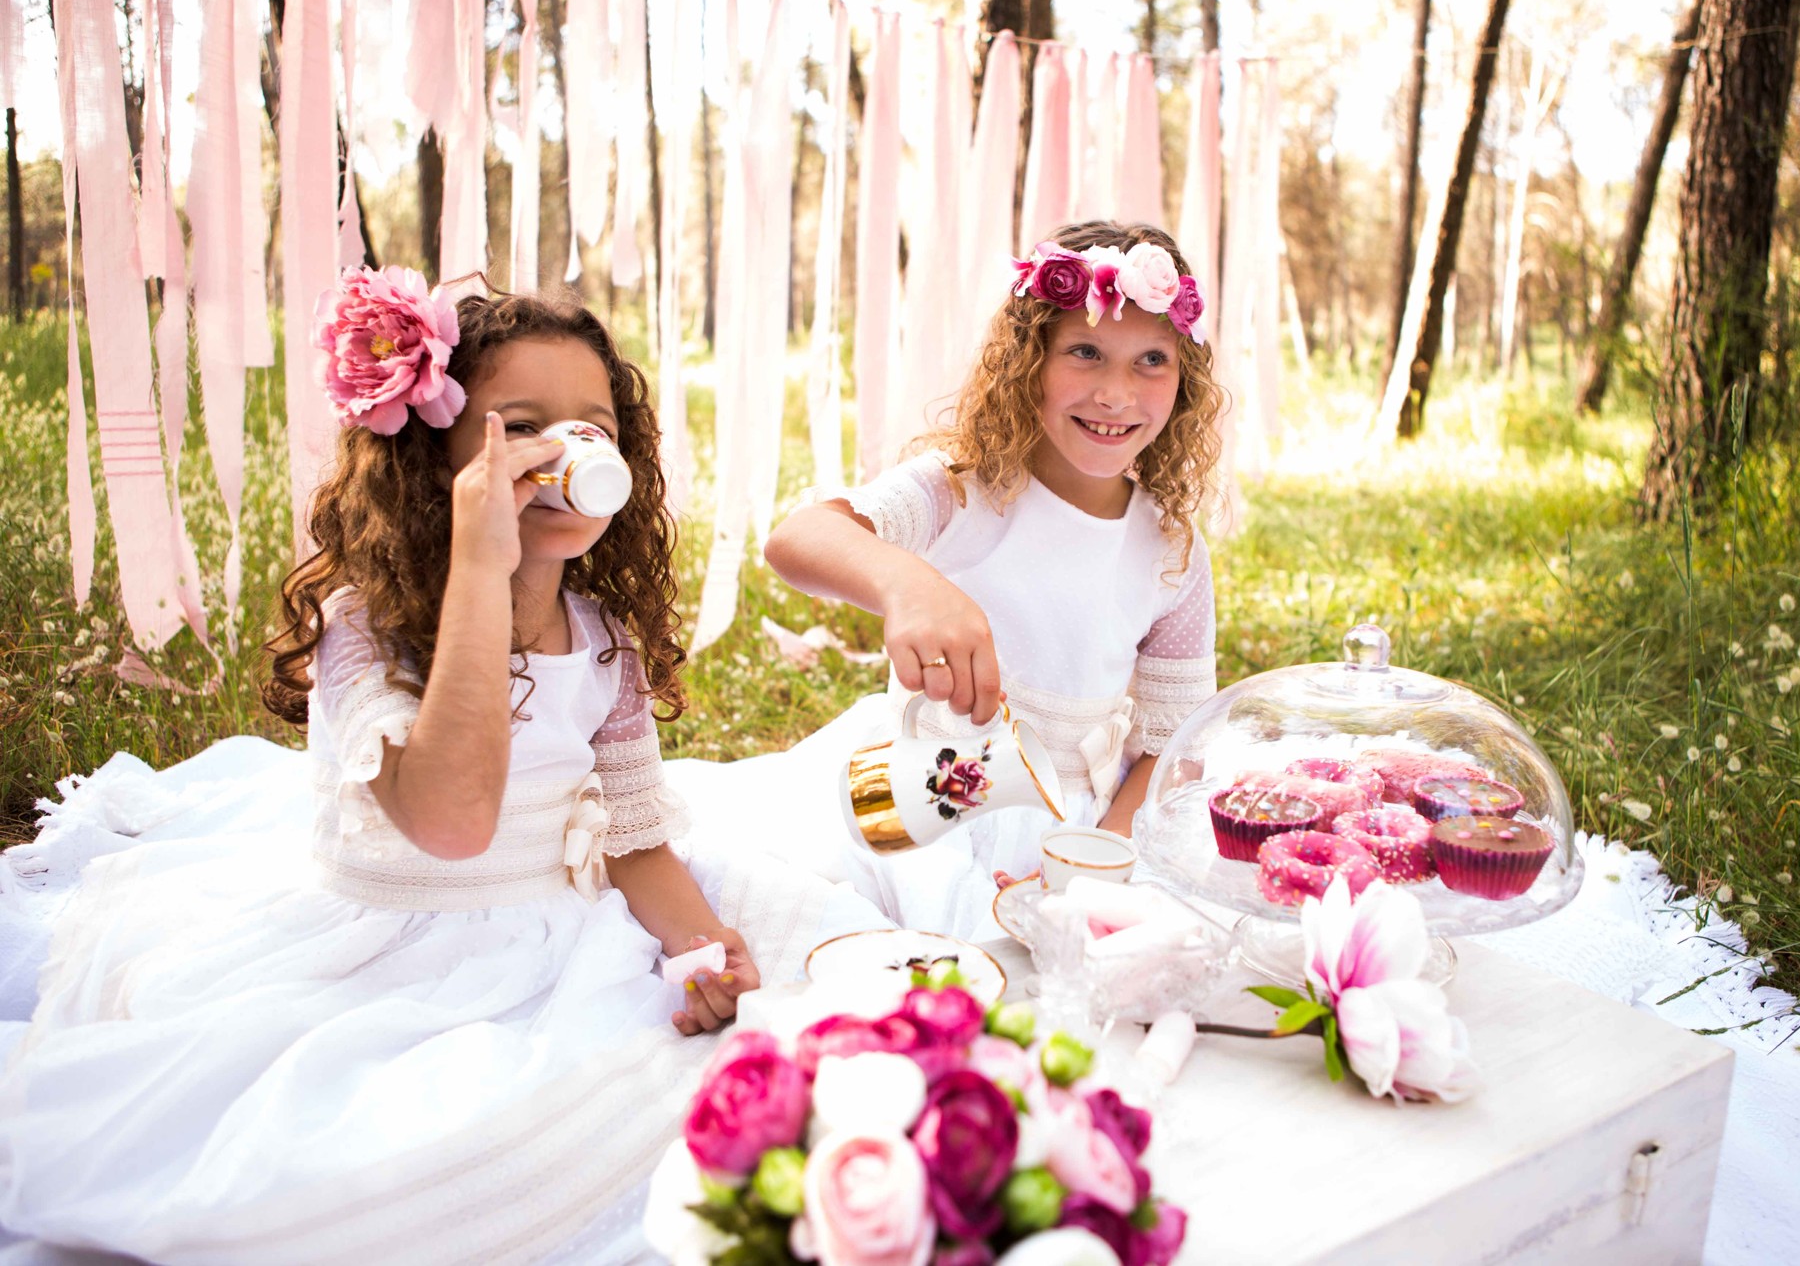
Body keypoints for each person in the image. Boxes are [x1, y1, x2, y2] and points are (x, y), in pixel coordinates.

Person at [0, 275, 886, 1263]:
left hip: (552, 929)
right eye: (522, 427)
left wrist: (698, 948)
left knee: (750, 1051)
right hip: (391, 951)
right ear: (437, 459)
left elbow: (636, 839)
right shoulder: (366, 634)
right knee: (417, 1162)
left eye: (594, 427)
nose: (566, 454)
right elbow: (454, 818)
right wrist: (479, 564)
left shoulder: (601, 639)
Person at [664, 221, 1222, 940]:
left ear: (1184, 379)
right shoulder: (963, 492)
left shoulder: (1171, 549)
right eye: (1085, 351)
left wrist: (1089, 865)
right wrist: (905, 582)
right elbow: (796, 539)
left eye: (1151, 359)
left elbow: (1172, 752)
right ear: (1030, 363)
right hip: (923, 795)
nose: (1116, 393)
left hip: (1077, 826)